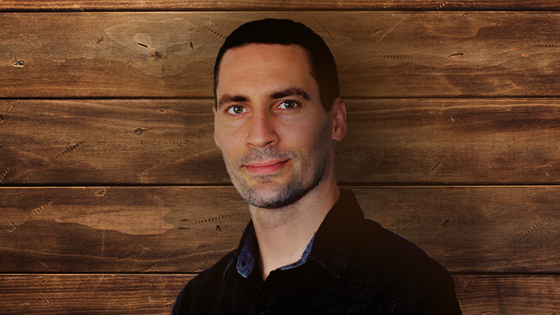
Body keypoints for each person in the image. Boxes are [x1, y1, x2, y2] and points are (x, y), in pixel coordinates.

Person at [172, 18, 462, 314]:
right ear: (216, 129)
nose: (260, 136)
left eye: (287, 104)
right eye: (237, 109)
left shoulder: (411, 292)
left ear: (337, 120)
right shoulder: (197, 301)